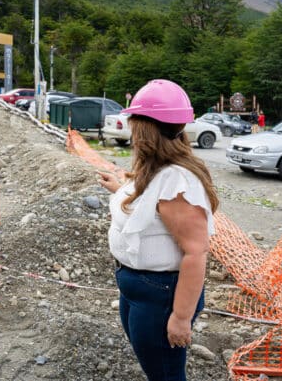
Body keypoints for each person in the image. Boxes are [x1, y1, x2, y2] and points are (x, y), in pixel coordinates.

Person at [96, 79, 219, 381]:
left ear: (145, 128)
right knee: (156, 368)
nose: (131, 128)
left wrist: (180, 317)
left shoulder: (177, 182)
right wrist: (121, 188)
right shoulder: (155, 168)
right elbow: (148, 201)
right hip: (140, 289)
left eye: (134, 122)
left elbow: (196, 251)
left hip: (161, 296)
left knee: (165, 374)